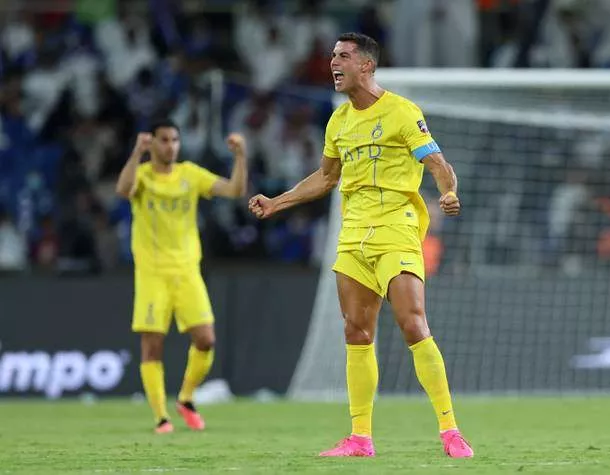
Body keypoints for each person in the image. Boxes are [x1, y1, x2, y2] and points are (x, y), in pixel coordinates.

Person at [249, 33, 473, 458]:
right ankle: (360, 438)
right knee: (356, 331)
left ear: (367, 66)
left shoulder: (403, 112)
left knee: (412, 322)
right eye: (333, 55)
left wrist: (448, 192)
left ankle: (450, 431)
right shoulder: (338, 121)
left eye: (344, 56)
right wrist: (277, 201)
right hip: (353, 235)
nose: (334, 62)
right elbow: (327, 177)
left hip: (396, 229)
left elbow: (437, 163)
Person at [116, 119, 248, 434]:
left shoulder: (190, 174)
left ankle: (186, 398)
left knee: (206, 339)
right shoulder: (143, 176)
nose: (171, 146)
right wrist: (136, 152)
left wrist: (241, 156)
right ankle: (161, 417)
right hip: (152, 273)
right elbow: (123, 190)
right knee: (152, 345)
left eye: (174, 140)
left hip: (187, 271)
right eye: (164, 140)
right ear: (153, 144)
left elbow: (234, 189)